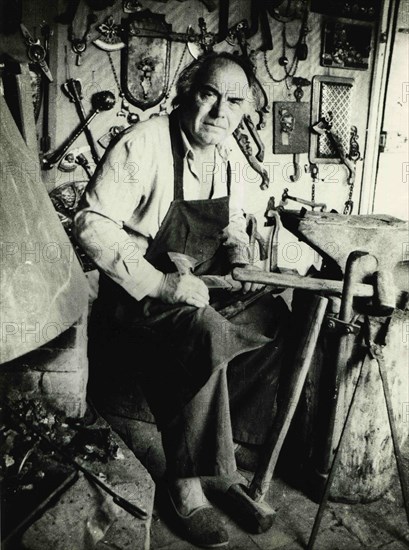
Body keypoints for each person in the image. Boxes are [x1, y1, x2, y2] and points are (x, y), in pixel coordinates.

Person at [74, 52, 289, 548]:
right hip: (136, 302)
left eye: (234, 102)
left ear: (244, 110)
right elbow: (90, 222)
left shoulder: (229, 152)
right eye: (208, 95)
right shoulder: (144, 144)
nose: (219, 113)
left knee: (275, 320)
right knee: (206, 332)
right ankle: (185, 481)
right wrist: (160, 284)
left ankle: (223, 462)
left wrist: (238, 251)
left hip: (198, 283)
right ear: (186, 93)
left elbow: (232, 220)